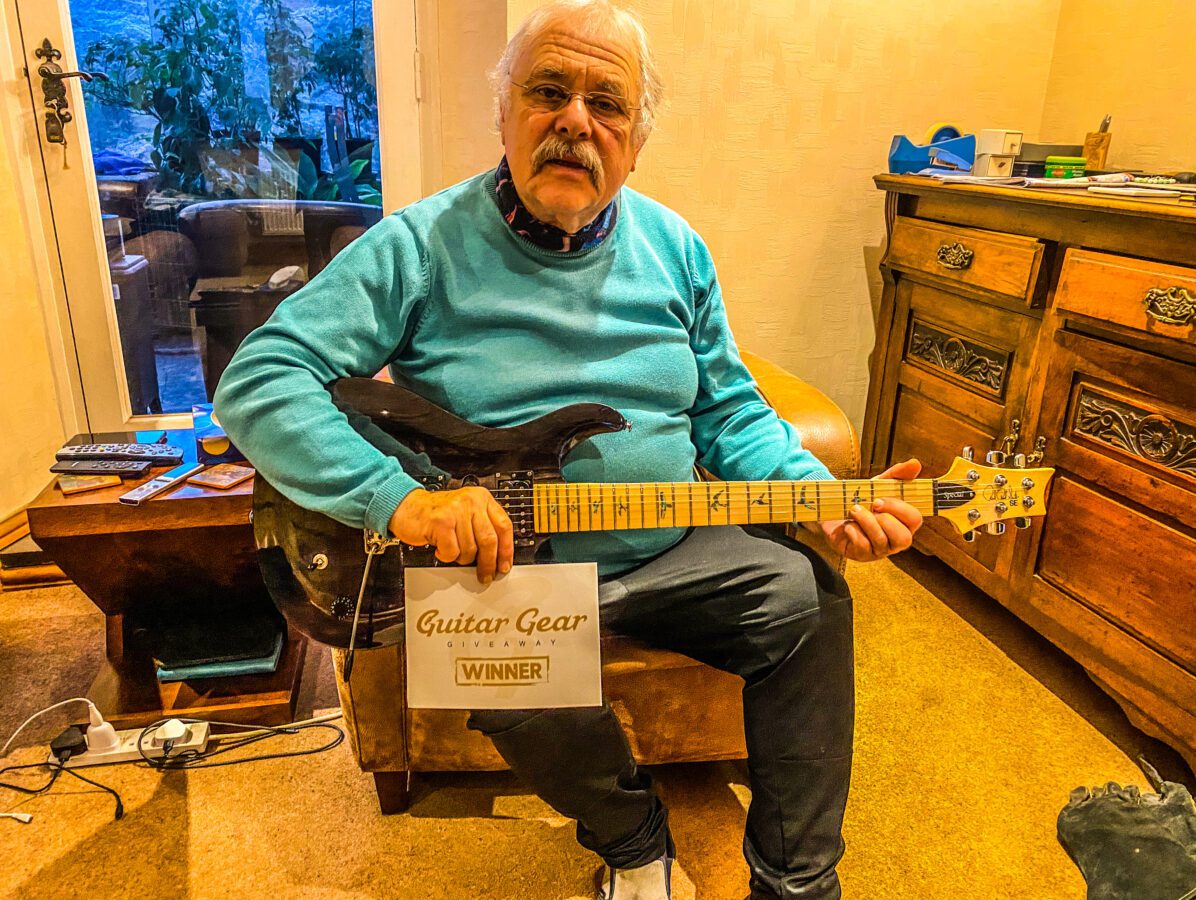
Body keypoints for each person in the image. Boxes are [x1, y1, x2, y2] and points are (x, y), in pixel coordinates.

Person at [214, 2, 923, 897]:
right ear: (503, 113)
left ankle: (797, 885)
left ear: (636, 141)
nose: (576, 121)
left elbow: (731, 413)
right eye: (548, 91)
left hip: (675, 548)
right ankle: (635, 842)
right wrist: (402, 500)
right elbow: (260, 377)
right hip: (502, 567)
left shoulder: (677, 249)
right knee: (499, 676)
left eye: (607, 104)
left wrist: (818, 492)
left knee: (810, 601)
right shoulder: (419, 245)